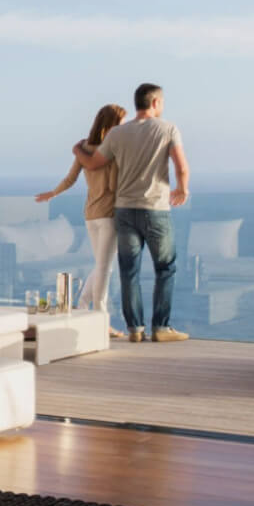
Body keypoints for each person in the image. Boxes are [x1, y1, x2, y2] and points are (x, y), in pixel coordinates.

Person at [72, 83, 190, 343]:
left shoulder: (117, 134)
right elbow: (181, 166)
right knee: (165, 267)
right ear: (156, 102)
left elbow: (92, 163)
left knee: (129, 271)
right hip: (155, 209)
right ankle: (161, 328)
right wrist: (183, 189)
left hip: (124, 210)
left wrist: (78, 150)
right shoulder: (168, 129)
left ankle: (135, 329)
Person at [35, 103, 127, 338]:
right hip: (109, 215)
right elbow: (114, 185)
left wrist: (52, 194)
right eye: (122, 123)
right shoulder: (113, 149)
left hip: (90, 215)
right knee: (105, 268)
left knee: (100, 265)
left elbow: (71, 178)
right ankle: (100, 320)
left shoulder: (85, 148)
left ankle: (82, 307)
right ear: (113, 124)